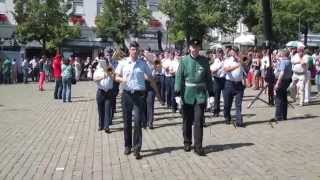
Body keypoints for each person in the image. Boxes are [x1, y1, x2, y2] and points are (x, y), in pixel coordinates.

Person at [114, 41, 163, 160]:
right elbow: (114, 76)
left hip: (139, 95)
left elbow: (157, 70)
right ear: (129, 50)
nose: (134, 51)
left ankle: (137, 148)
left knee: (137, 122)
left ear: (138, 50)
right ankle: (127, 145)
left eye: (136, 49)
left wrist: (152, 59)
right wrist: (121, 79)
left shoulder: (143, 64)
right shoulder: (123, 62)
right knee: (126, 122)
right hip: (126, 94)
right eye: (132, 49)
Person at [174, 39, 214, 156]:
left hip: (200, 95)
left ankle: (198, 146)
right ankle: (187, 142)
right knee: (186, 120)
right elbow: (179, 78)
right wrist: (177, 94)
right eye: (193, 47)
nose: (195, 49)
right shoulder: (184, 60)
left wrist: (211, 94)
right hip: (187, 94)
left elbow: (208, 78)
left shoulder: (204, 61)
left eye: (197, 47)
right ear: (189, 48)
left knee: (198, 121)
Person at [223, 47, 246, 127]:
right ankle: (227, 117)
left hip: (239, 84)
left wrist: (239, 59)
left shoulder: (241, 59)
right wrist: (237, 66)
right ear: (230, 52)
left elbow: (246, 62)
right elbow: (226, 69)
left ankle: (239, 121)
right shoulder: (227, 60)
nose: (234, 53)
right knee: (227, 104)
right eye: (233, 51)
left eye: (236, 51)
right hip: (229, 83)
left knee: (238, 104)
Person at [93, 58, 115, 133]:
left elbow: (114, 78)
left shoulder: (110, 68)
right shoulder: (98, 70)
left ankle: (106, 127)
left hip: (109, 92)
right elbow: (95, 79)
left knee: (107, 109)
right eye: (101, 63)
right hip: (100, 92)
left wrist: (110, 73)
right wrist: (104, 75)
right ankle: (101, 125)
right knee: (100, 110)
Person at [274, 49, 292, 121]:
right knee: (284, 98)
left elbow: (282, 73)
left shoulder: (283, 62)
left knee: (278, 98)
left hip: (282, 81)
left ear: (283, 54)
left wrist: (277, 83)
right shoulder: (289, 62)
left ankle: (278, 116)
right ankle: (284, 116)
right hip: (287, 81)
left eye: (281, 53)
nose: (280, 54)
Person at [210, 48, 225, 117]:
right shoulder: (215, 61)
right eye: (218, 53)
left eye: (221, 53)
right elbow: (212, 72)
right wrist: (218, 68)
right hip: (217, 79)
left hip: (224, 79)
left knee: (226, 96)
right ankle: (216, 111)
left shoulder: (226, 60)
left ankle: (226, 111)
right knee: (217, 96)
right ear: (217, 54)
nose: (220, 54)